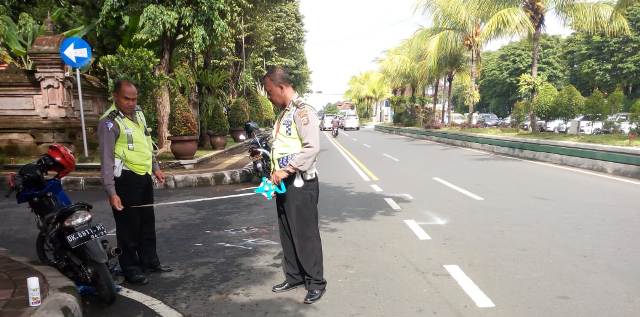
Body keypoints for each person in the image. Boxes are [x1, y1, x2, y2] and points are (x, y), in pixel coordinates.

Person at [97, 80, 172, 285]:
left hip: (143, 176)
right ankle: (131, 268)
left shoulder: (138, 114)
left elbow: (146, 143)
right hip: (125, 180)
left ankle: (150, 261)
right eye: (126, 98)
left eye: (134, 98)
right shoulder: (109, 123)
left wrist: (155, 168)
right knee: (128, 227)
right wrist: (111, 192)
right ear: (115, 96)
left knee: (147, 223)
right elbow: (106, 161)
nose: (131, 103)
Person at [262, 66, 326, 304]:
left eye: (269, 92)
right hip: (283, 183)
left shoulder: (303, 112)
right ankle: (295, 276)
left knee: (305, 234)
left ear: (281, 87)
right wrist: (273, 174)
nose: (269, 97)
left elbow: (312, 148)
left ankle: (316, 282)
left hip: (301, 183)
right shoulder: (284, 113)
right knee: (287, 232)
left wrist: (286, 170)